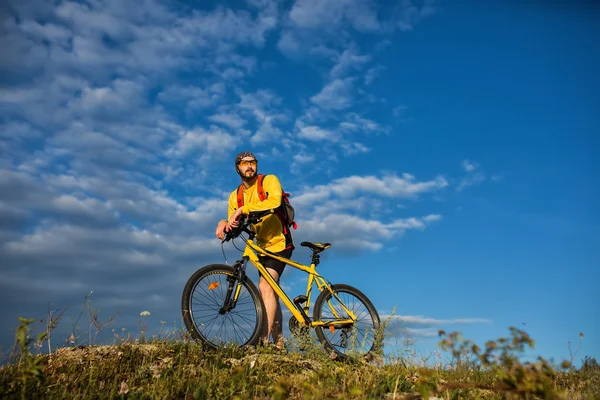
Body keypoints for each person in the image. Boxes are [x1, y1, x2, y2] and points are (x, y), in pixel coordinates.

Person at [215, 151, 294, 349]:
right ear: (237, 168)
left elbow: (274, 201)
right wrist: (223, 222)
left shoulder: (268, 181)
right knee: (271, 292)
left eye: (253, 162)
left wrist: (244, 210)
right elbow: (234, 220)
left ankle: (262, 342)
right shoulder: (235, 196)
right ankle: (280, 343)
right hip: (262, 247)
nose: (249, 166)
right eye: (244, 163)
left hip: (280, 242)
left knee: (265, 287)